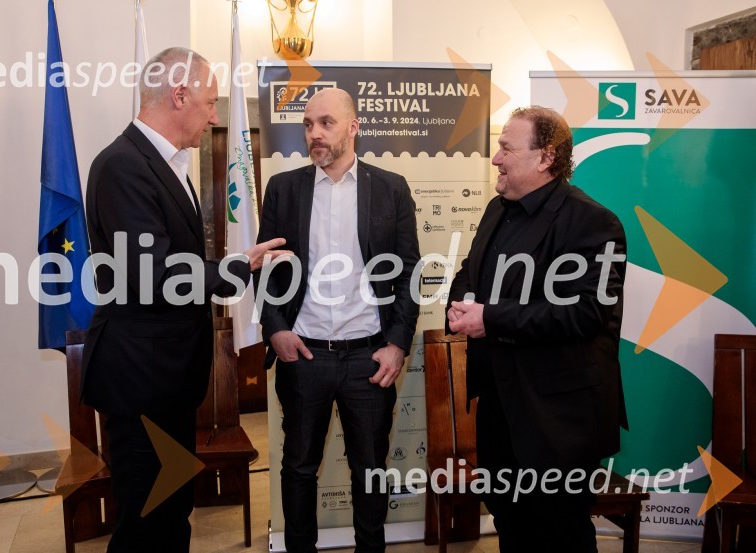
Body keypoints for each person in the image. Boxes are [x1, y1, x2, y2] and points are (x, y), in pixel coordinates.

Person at [81, 47, 286, 553]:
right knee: (146, 523)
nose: (214, 116)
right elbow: (155, 274)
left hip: (168, 378)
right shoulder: (124, 166)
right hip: (140, 380)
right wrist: (239, 266)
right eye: (210, 102)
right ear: (179, 95)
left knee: (172, 515)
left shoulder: (167, 164)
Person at [446, 106, 628, 552]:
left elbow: (584, 312)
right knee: (511, 522)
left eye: (506, 148)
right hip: (499, 407)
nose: (496, 158)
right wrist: (464, 303)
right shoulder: (496, 209)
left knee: (559, 532)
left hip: (559, 419)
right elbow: (471, 272)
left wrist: (489, 318)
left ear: (546, 158)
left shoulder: (593, 222)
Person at [256, 87, 420, 553]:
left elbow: (409, 271)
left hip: (369, 358)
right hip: (303, 355)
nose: (314, 134)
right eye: (308, 124)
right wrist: (275, 329)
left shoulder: (390, 188)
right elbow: (266, 269)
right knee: (299, 468)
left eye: (326, 123)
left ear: (353, 127)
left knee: (369, 471)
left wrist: (397, 343)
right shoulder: (283, 189)